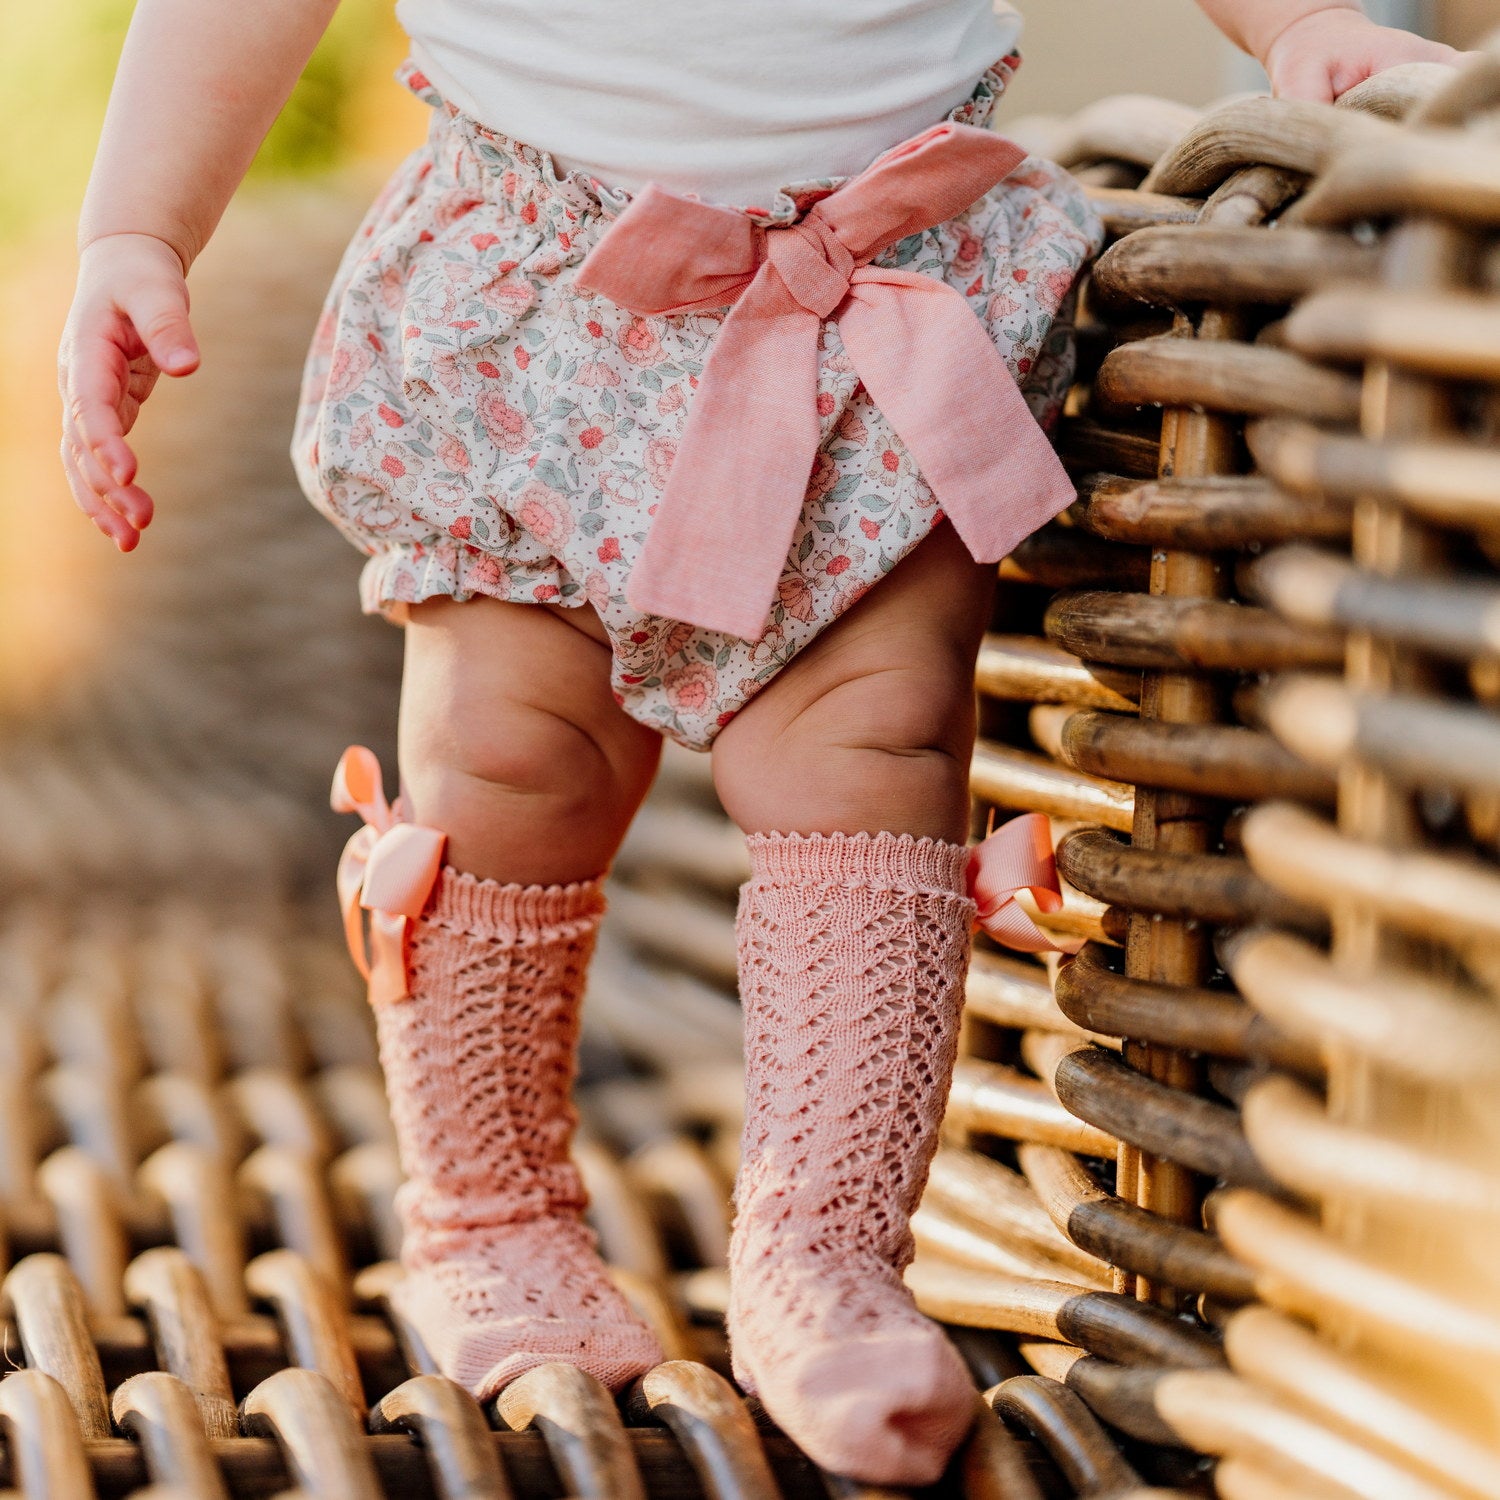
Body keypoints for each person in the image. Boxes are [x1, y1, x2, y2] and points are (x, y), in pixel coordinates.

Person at [58, 0, 1465, 1483]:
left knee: (876, 743)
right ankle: (490, 1219)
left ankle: (827, 1254)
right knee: (508, 761)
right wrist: (134, 234)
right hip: (535, 289)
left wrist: (1302, 21)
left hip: (880, 281)